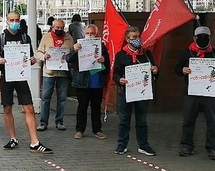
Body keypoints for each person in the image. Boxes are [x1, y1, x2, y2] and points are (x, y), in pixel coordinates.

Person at [0, 11, 53, 154]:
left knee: (29, 108)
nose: (14, 22)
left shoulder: (25, 37)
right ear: (7, 21)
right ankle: (13, 138)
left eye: (17, 20)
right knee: (7, 108)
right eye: (12, 20)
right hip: (7, 76)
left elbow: (30, 55)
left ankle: (35, 142)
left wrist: (32, 60)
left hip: (20, 76)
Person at [174, 26, 215, 160]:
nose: (203, 39)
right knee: (188, 120)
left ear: (210, 38)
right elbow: (177, 68)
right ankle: (187, 145)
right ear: (194, 38)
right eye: (200, 37)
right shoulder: (187, 53)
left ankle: (214, 148)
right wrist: (183, 70)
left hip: (210, 94)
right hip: (191, 93)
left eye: (206, 37)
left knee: (213, 122)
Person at [112, 26, 158, 156]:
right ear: (127, 39)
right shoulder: (121, 55)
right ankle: (122, 145)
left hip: (142, 92)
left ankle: (143, 145)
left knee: (142, 121)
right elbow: (115, 73)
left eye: (138, 37)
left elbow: (153, 69)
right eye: (134, 37)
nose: (137, 39)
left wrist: (155, 70)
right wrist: (119, 79)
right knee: (124, 120)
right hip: (126, 92)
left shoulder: (147, 54)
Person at [68, 24, 109, 139]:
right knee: (82, 107)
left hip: (97, 82)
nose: (90, 36)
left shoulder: (101, 46)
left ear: (97, 34)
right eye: (88, 33)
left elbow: (109, 64)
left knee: (96, 108)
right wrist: (74, 50)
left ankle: (97, 130)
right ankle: (80, 130)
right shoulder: (78, 45)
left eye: (92, 33)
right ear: (84, 34)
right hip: (82, 82)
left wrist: (104, 60)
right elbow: (68, 60)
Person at [36, 18, 74, 131]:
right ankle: (43, 122)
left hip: (63, 73)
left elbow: (72, 54)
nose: (59, 30)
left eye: (61, 28)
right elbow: (38, 52)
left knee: (62, 99)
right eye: (57, 28)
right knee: (45, 98)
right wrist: (44, 57)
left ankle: (59, 121)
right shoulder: (46, 37)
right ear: (52, 27)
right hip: (49, 73)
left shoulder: (69, 38)